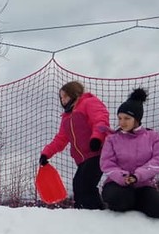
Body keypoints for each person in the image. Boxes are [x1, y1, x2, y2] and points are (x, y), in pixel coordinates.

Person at [99, 88, 159, 218]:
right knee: (120, 199)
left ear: (136, 119)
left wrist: (138, 176)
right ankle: (130, 205)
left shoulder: (153, 137)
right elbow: (107, 163)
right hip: (117, 184)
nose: (122, 122)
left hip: (143, 184)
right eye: (120, 118)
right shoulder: (112, 139)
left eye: (127, 118)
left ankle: (145, 204)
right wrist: (123, 177)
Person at [40, 81, 110, 209]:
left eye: (65, 96)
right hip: (82, 159)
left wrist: (97, 138)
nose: (63, 100)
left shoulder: (89, 103)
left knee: (85, 184)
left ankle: (96, 214)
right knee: (77, 185)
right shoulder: (66, 117)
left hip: (97, 152)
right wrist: (46, 153)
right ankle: (82, 213)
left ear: (74, 94)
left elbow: (100, 120)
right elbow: (61, 138)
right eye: (61, 97)